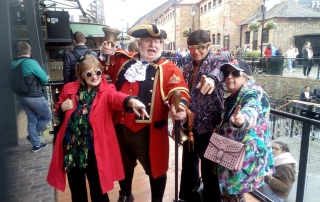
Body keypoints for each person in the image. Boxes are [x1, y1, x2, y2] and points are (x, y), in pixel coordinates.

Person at [100, 24, 190, 202]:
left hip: (148, 131)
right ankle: (126, 194)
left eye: (157, 42)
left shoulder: (169, 68)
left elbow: (178, 89)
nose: (152, 45)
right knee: (123, 164)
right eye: (148, 41)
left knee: (156, 169)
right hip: (120, 125)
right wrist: (104, 52)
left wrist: (179, 106)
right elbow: (103, 66)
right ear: (139, 43)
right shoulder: (124, 61)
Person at [47, 55, 149, 202]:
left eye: (98, 72)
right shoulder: (69, 89)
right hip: (72, 149)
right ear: (81, 75)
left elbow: (116, 97)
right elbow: (59, 107)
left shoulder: (107, 90)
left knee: (98, 189)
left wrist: (131, 101)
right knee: (77, 191)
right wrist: (61, 108)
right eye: (89, 73)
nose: (94, 76)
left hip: (94, 150)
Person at [179, 29, 228, 202]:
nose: (196, 51)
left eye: (200, 47)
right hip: (190, 126)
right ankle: (188, 198)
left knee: (210, 170)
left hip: (211, 127)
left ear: (208, 46)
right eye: (192, 48)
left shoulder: (218, 60)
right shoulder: (186, 68)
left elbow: (222, 69)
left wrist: (211, 79)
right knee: (188, 166)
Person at [218, 59, 274, 201]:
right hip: (232, 153)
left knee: (234, 192)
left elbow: (251, 110)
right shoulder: (233, 95)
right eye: (226, 74)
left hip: (244, 157)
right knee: (230, 193)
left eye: (235, 73)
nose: (230, 77)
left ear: (246, 77)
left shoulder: (253, 92)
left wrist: (242, 120)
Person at [11, 42, 51, 152]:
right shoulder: (30, 63)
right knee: (47, 117)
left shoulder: (14, 64)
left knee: (32, 120)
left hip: (21, 97)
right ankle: (32, 137)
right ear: (29, 52)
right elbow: (44, 78)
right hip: (35, 97)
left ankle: (36, 145)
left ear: (18, 53)